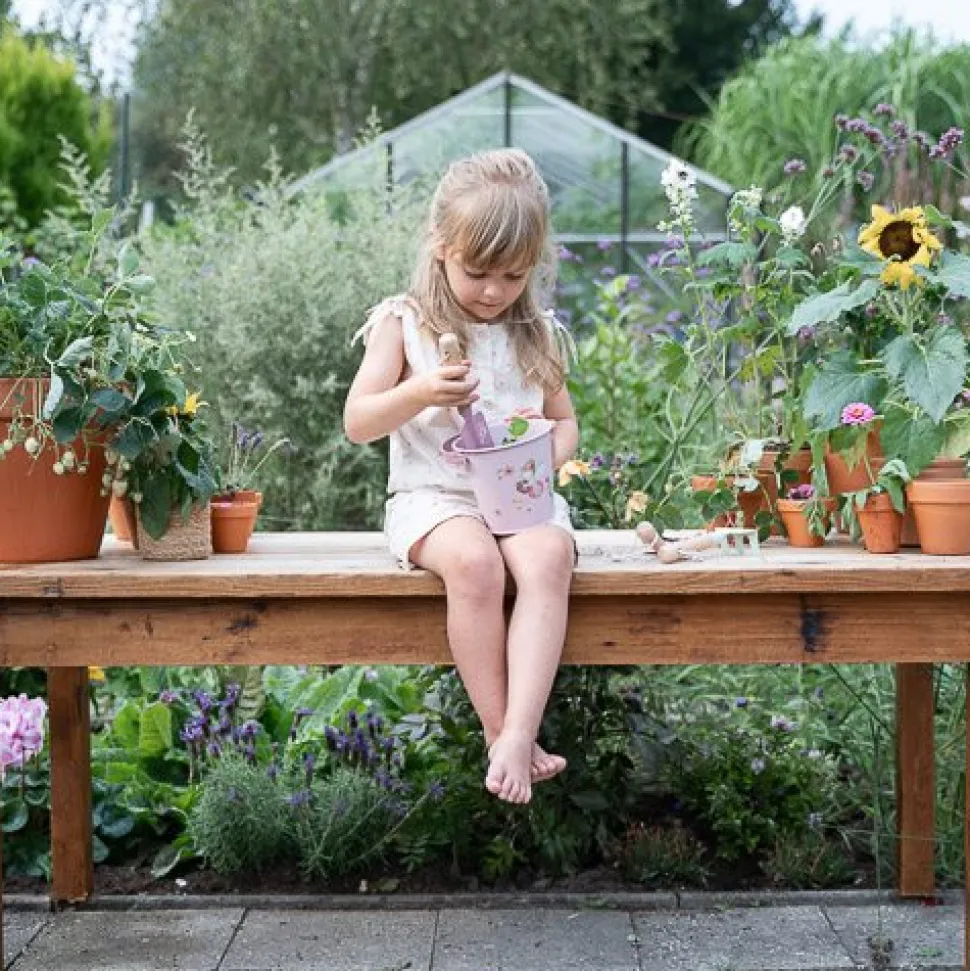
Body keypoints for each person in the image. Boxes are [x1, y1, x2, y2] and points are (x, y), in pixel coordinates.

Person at [344, 148, 579, 805]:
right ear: (439, 245)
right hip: (433, 498)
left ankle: (518, 732)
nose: (493, 292)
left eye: (513, 274)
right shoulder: (406, 323)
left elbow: (565, 423)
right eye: (477, 271)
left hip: (517, 495)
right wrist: (420, 392)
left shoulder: (535, 332)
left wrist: (545, 457)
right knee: (477, 565)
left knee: (549, 555)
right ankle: (503, 733)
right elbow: (359, 421)